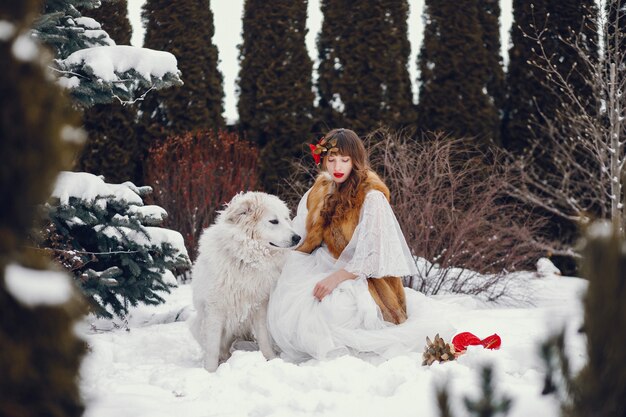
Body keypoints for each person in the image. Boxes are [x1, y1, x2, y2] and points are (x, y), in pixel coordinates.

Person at [267, 128, 454, 362]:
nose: (337, 167)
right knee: (293, 295)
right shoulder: (319, 190)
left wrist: (335, 278)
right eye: (331, 160)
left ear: (356, 161)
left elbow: (372, 257)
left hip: (364, 276)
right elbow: (302, 235)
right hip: (324, 262)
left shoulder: (371, 196)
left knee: (334, 310)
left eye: (344, 160)